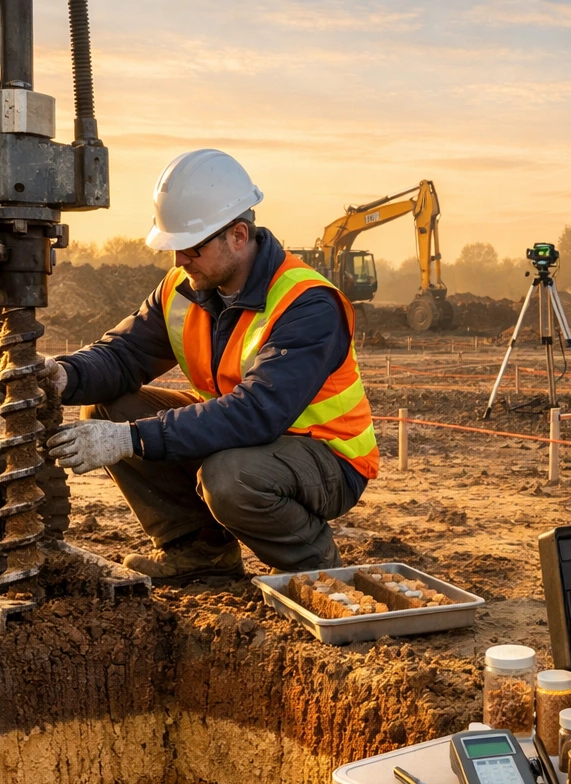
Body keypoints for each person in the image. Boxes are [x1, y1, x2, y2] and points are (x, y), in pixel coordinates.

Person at [44, 149, 378, 582]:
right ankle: (201, 555)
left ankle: (317, 571)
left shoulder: (307, 303)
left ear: (238, 235)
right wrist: (64, 375)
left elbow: (257, 413)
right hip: (245, 438)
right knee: (110, 408)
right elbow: (124, 356)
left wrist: (132, 439)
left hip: (328, 455)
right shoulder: (184, 287)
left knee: (229, 478)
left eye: (191, 247)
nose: (179, 260)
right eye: (174, 247)